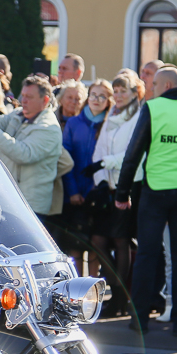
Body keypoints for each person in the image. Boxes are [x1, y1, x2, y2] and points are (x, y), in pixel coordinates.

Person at [114, 67, 177, 336]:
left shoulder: (154, 108)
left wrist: (122, 194)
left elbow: (133, 153)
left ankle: (139, 319)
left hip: (156, 191)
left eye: (154, 85)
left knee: (147, 255)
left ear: (167, 85)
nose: (152, 90)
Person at [88, 73, 146, 316]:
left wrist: (105, 163)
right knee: (98, 240)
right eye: (117, 90)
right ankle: (117, 290)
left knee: (122, 240)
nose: (119, 95)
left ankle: (120, 298)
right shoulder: (112, 114)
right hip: (108, 186)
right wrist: (100, 179)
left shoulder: (139, 115)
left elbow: (133, 153)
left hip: (128, 185)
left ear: (135, 92)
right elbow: (99, 150)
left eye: (124, 90)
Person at [0, 74, 65, 221]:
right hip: (7, 200)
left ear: (45, 100)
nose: (23, 100)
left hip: (28, 207)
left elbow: (24, 154)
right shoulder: (18, 114)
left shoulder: (49, 128)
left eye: (29, 97)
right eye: (23, 95)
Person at [62, 79, 112, 271]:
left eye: (102, 96)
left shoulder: (110, 125)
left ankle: (92, 285)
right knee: (75, 244)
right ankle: (77, 286)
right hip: (73, 193)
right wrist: (73, 191)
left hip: (97, 194)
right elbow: (66, 158)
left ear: (108, 100)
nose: (96, 100)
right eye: (93, 95)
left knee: (94, 246)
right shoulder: (74, 123)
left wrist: (94, 191)